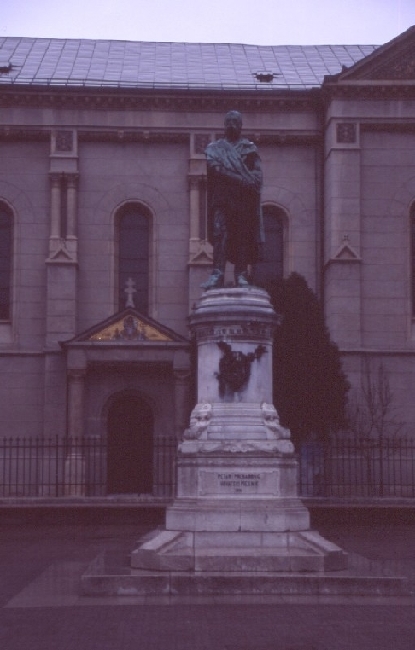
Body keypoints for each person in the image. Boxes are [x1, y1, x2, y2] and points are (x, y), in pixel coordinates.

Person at [201, 110, 264, 290]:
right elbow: (216, 169)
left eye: (235, 121)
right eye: (228, 121)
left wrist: (248, 180)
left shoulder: (249, 149)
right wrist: (241, 179)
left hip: (243, 202)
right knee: (220, 234)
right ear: (224, 125)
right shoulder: (214, 149)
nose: (231, 124)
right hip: (222, 199)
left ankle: (241, 273)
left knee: (242, 236)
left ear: (241, 126)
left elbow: (257, 177)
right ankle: (217, 273)